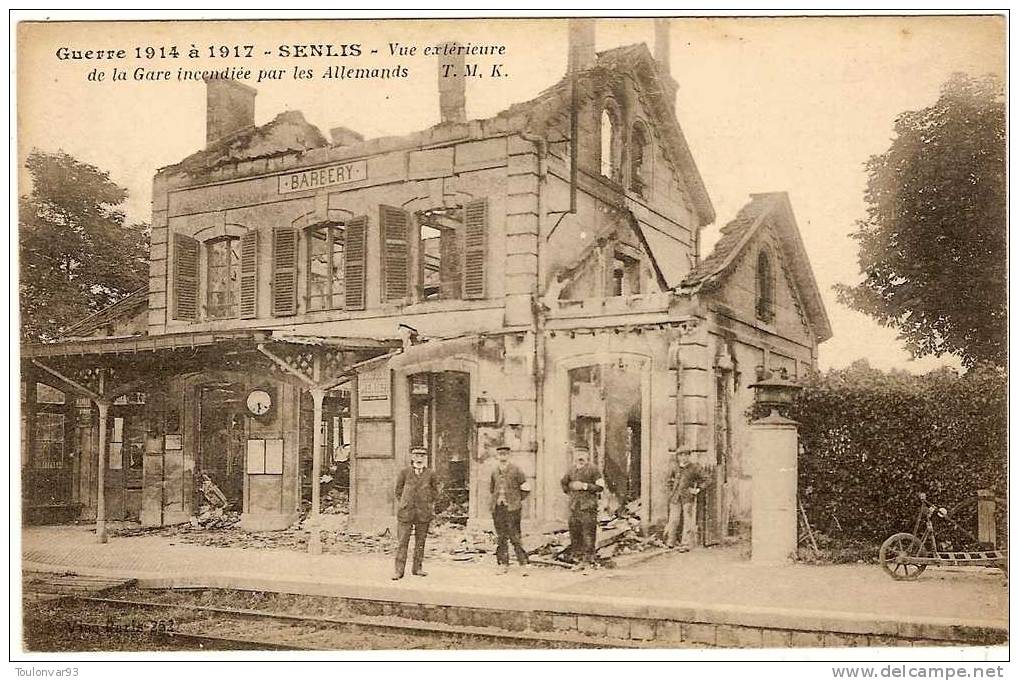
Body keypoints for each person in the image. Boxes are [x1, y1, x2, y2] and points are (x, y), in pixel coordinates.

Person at [393, 447, 438, 580]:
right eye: (417, 455)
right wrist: (405, 503)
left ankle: (417, 568)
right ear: (412, 457)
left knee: (420, 542)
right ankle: (399, 571)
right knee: (402, 542)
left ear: (425, 458)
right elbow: (398, 491)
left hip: (423, 513)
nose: (419, 458)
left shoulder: (431, 473)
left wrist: (427, 502)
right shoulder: (404, 473)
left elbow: (435, 491)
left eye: (422, 456)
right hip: (406, 512)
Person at [490, 445, 531, 575]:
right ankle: (503, 564)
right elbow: (492, 489)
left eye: (505, 454)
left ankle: (523, 564)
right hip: (498, 508)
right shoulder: (494, 471)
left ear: (509, 455)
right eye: (500, 454)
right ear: (497, 456)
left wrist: (516, 501)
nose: (502, 456)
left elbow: (526, 488)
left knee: (515, 536)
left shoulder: (516, 470)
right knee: (501, 537)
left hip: (512, 508)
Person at [560, 445, 604, 566]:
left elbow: (600, 487)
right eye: (578, 454)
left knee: (588, 532)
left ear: (587, 456)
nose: (580, 457)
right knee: (575, 531)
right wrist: (570, 488)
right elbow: (564, 483)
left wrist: (585, 486)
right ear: (574, 456)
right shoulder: (571, 470)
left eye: (583, 454)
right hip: (574, 506)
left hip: (588, 507)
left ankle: (589, 558)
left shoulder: (593, 469)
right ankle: (577, 557)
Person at [664, 450, 710, 551]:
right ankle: (670, 542)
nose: (683, 458)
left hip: (687, 498)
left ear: (689, 456)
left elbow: (707, 479)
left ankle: (685, 544)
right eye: (681, 455)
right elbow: (668, 481)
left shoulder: (695, 467)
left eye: (686, 455)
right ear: (678, 457)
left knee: (687, 520)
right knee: (673, 520)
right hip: (675, 497)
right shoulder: (675, 467)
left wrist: (697, 489)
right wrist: (670, 492)